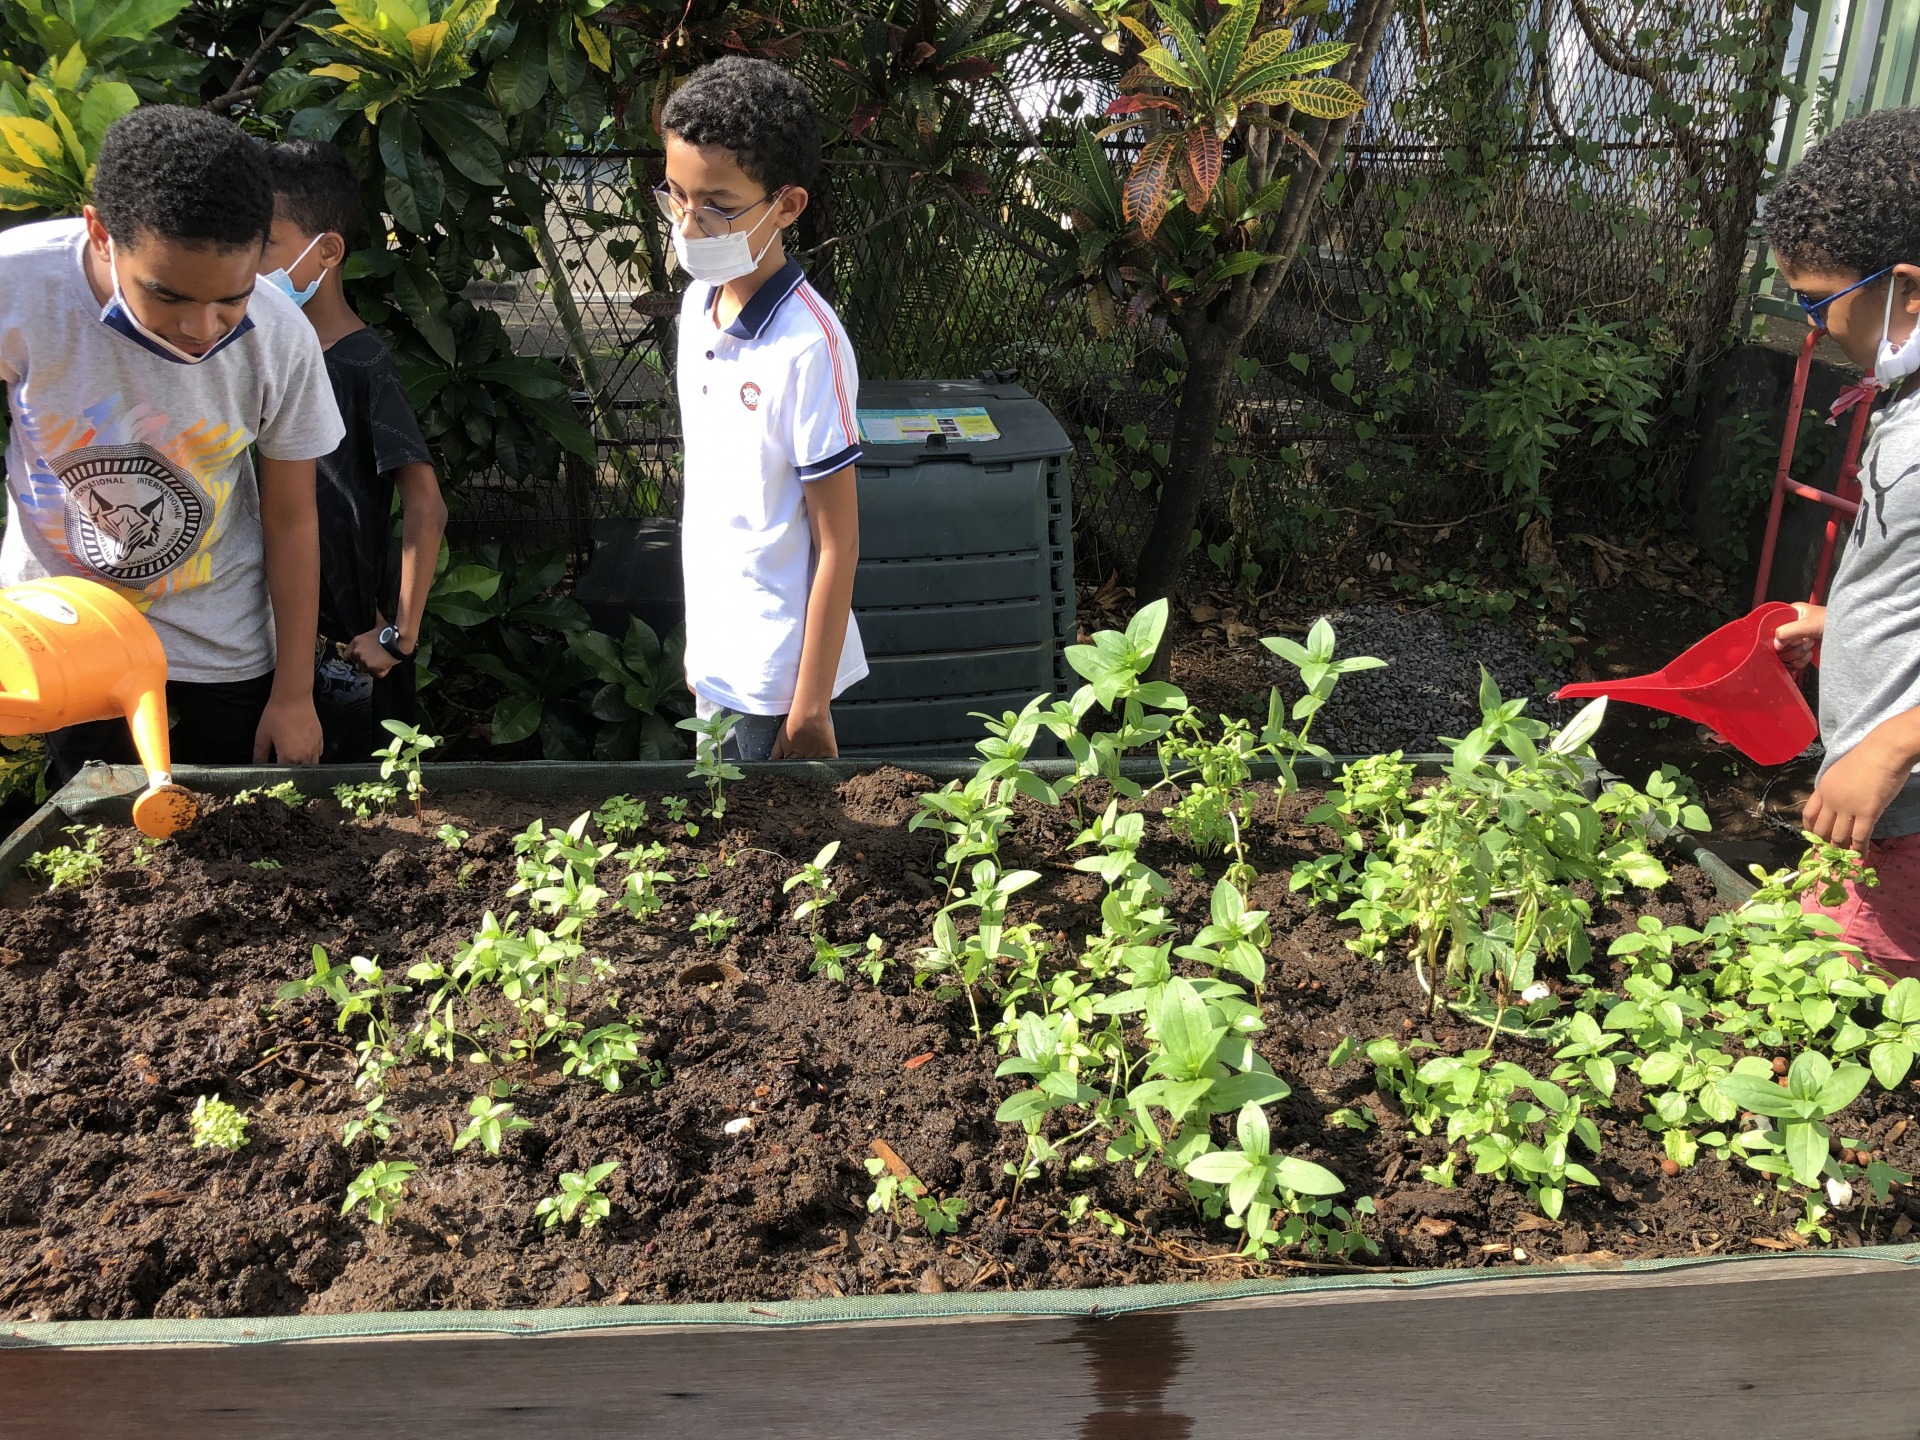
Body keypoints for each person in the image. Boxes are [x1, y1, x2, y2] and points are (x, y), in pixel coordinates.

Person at [0, 105, 342, 785]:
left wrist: (295, 694)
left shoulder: (279, 337)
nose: (202, 327)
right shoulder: (17, 286)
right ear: (101, 234)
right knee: (97, 840)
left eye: (231, 298)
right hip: (70, 631)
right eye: (168, 295)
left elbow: (292, 517)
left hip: (225, 645)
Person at [659, 57, 866, 760]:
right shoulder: (696, 308)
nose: (690, 224)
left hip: (776, 679)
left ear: (787, 205)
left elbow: (838, 540)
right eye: (676, 197)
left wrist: (808, 710)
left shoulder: (809, 346)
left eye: (717, 204)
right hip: (715, 655)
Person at [1765, 106, 1920, 974]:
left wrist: (1893, 746)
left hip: (1904, 799)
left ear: (1910, 290)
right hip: (1877, 798)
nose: (1814, 329)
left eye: (1817, 302)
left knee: (1872, 1021)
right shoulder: (1905, 393)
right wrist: (1845, 619)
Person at [260, 140, 446, 761]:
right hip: (254, 637)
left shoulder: (364, 364)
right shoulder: (243, 356)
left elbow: (425, 503)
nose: (247, 265)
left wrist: (397, 635)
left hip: (346, 651)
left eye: (265, 245)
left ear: (328, 251)